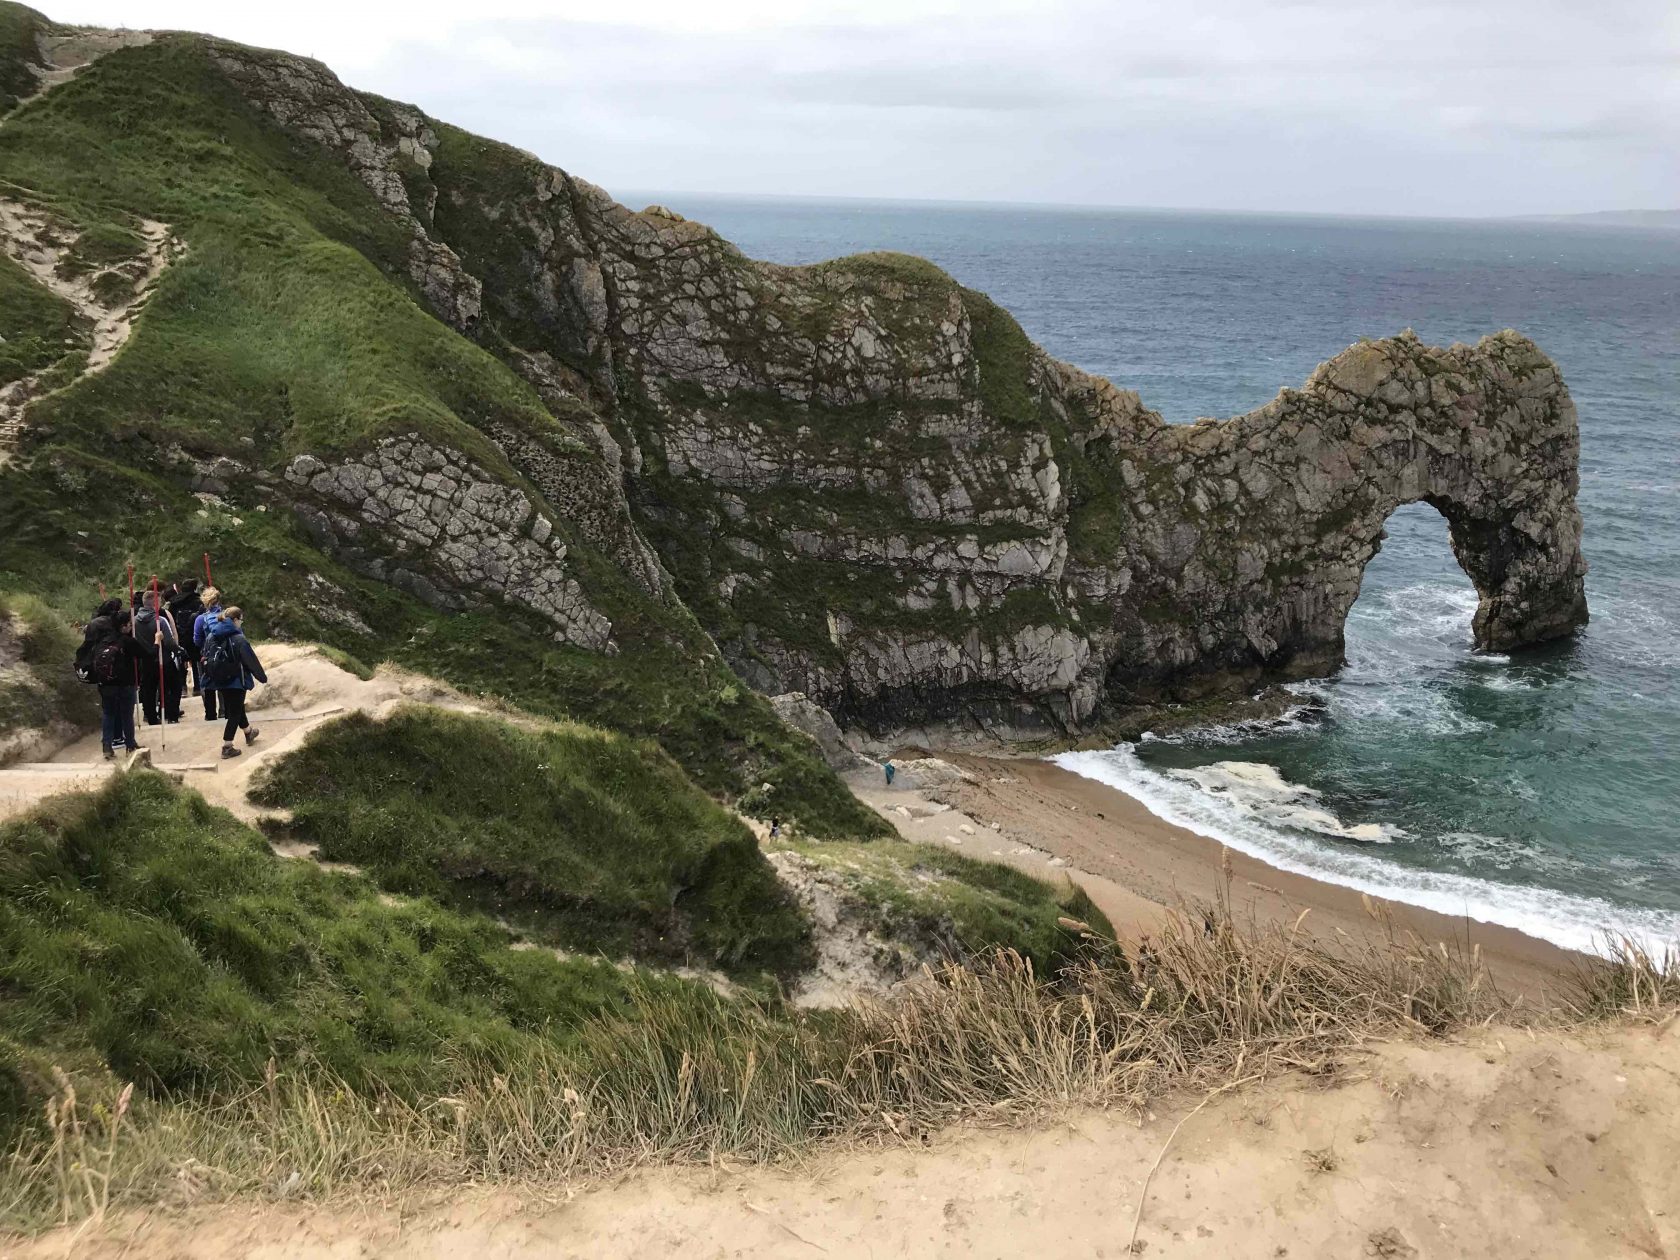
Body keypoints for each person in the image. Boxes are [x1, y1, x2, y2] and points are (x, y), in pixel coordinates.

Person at [201, 606, 266, 758]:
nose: (241, 623)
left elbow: (206, 654)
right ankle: (227, 746)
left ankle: (249, 732)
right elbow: (250, 660)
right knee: (234, 713)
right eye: (241, 620)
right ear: (235, 620)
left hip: (219, 679)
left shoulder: (212, 635)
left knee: (236, 707)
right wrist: (262, 677)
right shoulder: (239, 639)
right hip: (237, 680)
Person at [92, 609, 143, 760]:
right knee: (127, 714)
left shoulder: (103, 640)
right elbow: (146, 654)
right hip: (126, 683)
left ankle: (107, 747)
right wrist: (157, 641)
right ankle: (130, 744)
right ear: (124, 625)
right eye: (129, 624)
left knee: (109, 713)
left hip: (106, 684)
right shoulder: (127, 641)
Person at [133, 591, 183, 725]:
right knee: (173, 686)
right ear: (155, 603)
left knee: (149, 690)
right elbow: (169, 642)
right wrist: (179, 651)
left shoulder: (134, 622)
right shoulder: (160, 620)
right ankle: (172, 715)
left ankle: (151, 717)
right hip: (163, 659)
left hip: (144, 661)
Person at [169, 579, 207, 701]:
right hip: (194, 635)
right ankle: (198, 686)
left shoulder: (174, 603)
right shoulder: (198, 602)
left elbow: (171, 620)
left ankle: (183, 687)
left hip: (179, 636)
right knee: (197, 661)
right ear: (194, 588)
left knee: (181, 662)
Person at [192, 586, 223, 721]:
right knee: (224, 681)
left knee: (206, 683)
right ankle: (224, 710)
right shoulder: (225, 615)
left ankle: (210, 713)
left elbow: (197, 640)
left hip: (206, 656)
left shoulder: (200, 619)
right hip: (223, 655)